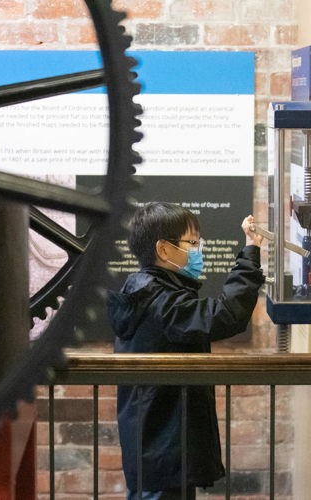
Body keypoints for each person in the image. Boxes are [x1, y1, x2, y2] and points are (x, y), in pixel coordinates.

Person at [107, 201, 265, 499]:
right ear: (163, 250)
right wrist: (249, 256)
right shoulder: (157, 300)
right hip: (163, 449)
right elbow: (223, 316)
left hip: (160, 446)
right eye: (192, 243)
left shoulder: (149, 292)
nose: (198, 250)